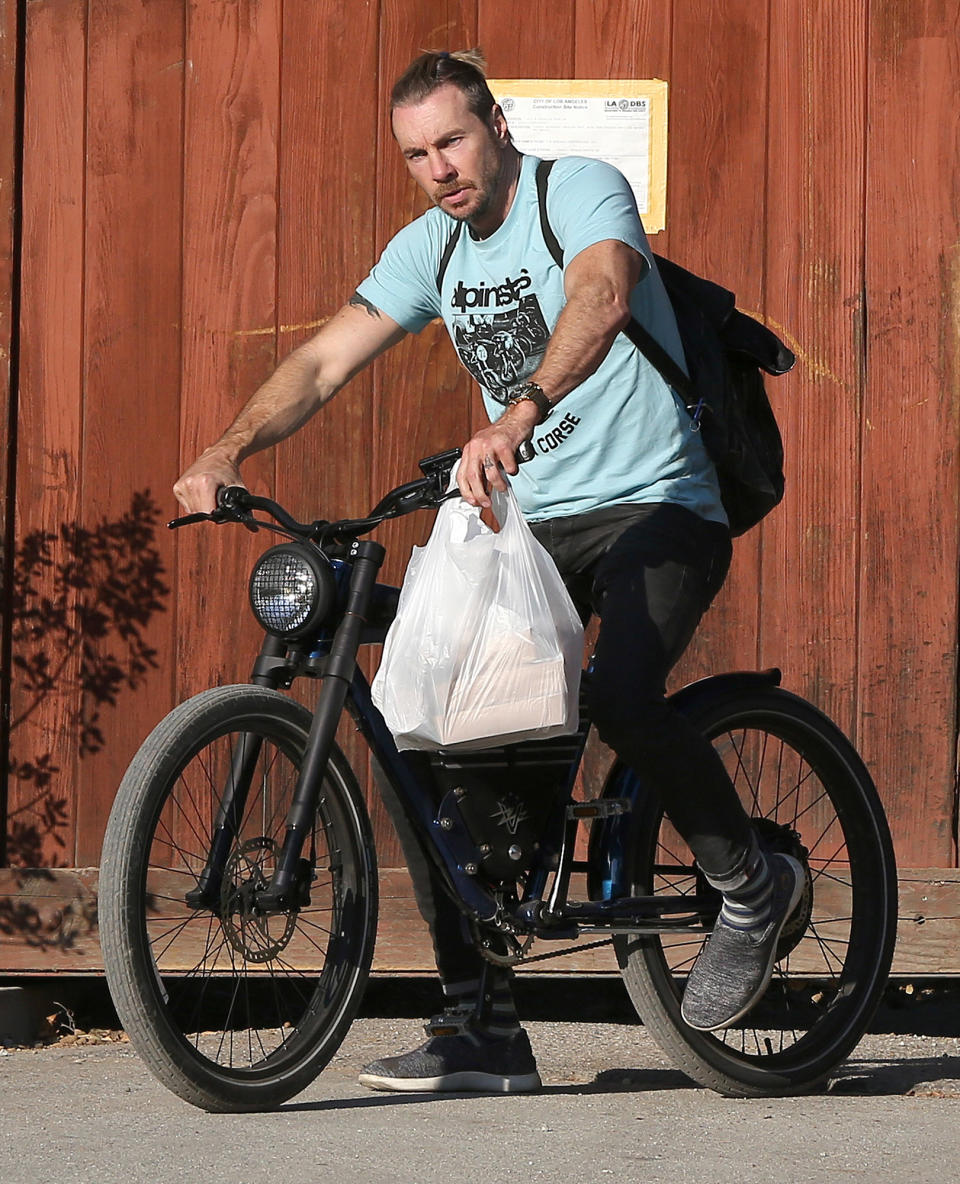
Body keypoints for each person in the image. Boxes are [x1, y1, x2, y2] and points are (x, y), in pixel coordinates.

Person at [174, 49, 804, 1094]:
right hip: (530, 531)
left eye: (452, 141)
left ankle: (751, 883)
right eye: (418, 155)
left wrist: (517, 410)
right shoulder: (430, 246)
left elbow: (600, 295)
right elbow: (328, 359)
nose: (439, 169)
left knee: (622, 691)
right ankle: (482, 1024)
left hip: (659, 505)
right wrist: (225, 448)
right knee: (418, 719)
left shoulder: (576, 190)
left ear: (496, 125)